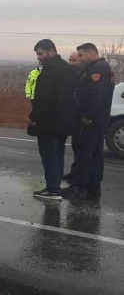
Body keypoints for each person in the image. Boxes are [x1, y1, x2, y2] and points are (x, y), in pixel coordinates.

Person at [62, 43, 114, 199]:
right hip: (97, 120)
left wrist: (87, 118)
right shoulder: (98, 67)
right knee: (95, 154)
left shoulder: (98, 70)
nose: (80, 58)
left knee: (84, 153)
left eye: (81, 55)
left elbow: (96, 98)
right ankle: (93, 185)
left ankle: (79, 187)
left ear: (91, 53)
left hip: (90, 121)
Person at [27, 39, 77, 200]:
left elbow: (43, 98)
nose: (38, 58)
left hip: (49, 122)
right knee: (58, 154)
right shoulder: (67, 69)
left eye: (40, 54)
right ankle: (55, 187)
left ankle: (53, 189)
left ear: (51, 51)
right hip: (64, 121)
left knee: (49, 156)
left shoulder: (49, 71)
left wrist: (33, 118)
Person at [62, 51, 86, 182]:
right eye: (70, 60)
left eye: (74, 60)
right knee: (76, 145)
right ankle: (74, 171)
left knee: (82, 147)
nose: (71, 63)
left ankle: (79, 177)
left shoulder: (84, 75)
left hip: (83, 117)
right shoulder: (74, 74)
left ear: (81, 61)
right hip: (74, 116)